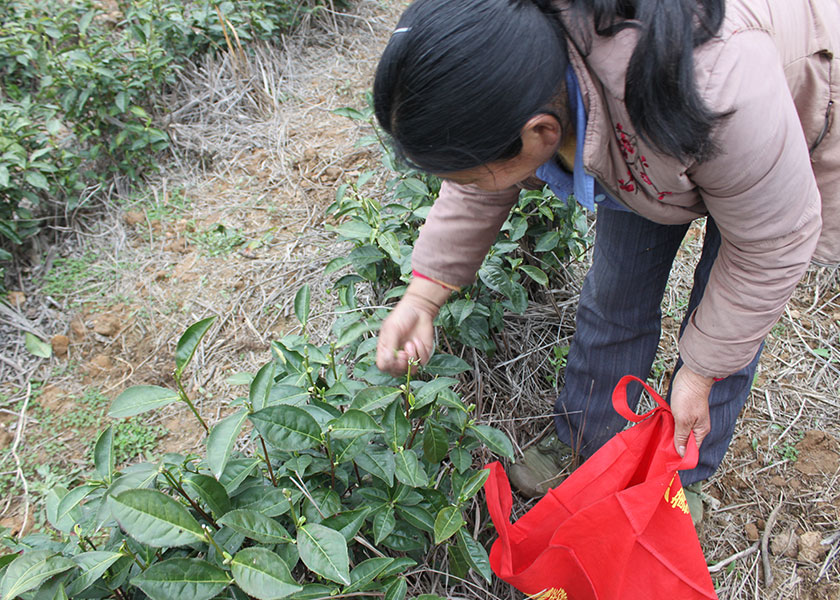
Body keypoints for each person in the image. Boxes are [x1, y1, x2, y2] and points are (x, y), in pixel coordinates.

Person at [372, 0, 840, 521]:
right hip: (635, 129)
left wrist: (701, 372)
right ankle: (583, 441)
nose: (468, 182)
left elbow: (767, 247)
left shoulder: (721, 77)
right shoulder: (518, 61)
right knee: (615, 293)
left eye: (470, 171)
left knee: (726, 321)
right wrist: (424, 293)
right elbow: (478, 178)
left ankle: (682, 478)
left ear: (541, 134)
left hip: (769, 123)